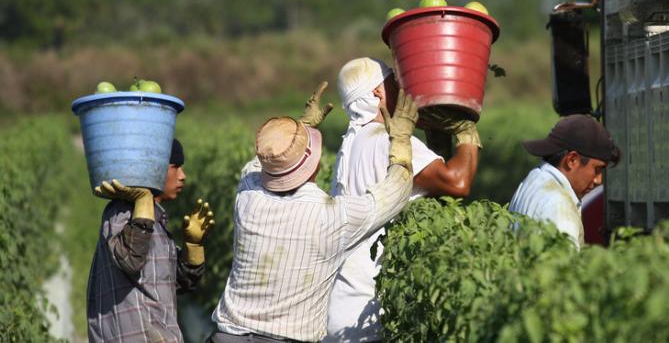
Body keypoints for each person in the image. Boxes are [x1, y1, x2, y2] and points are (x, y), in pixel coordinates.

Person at [208, 84, 420, 343]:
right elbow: (395, 193)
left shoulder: (248, 195)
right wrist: (401, 141)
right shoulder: (332, 217)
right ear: (315, 164)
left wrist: (301, 129)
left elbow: (263, 161)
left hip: (226, 336)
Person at [325, 57, 482, 342]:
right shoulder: (384, 140)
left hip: (343, 305)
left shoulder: (352, 142)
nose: (400, 87)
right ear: (377, 92)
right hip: (367, 314)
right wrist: (466, 132)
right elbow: (457, 183)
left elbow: (426, 183)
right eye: (392, 81)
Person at [87, 139, 215, 342]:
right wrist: (143, 198)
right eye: (175, 167)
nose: (182, 175)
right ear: (153, 169)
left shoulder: (154, 220)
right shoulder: (122, 212)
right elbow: (130, 259)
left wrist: (193, 246)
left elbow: (172, 282)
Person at [508, 114, 619, 248]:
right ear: (572, 160)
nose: (598, 180)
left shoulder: (532, 180)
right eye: (597, 169)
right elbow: (562, 261)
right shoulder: (559, 206)